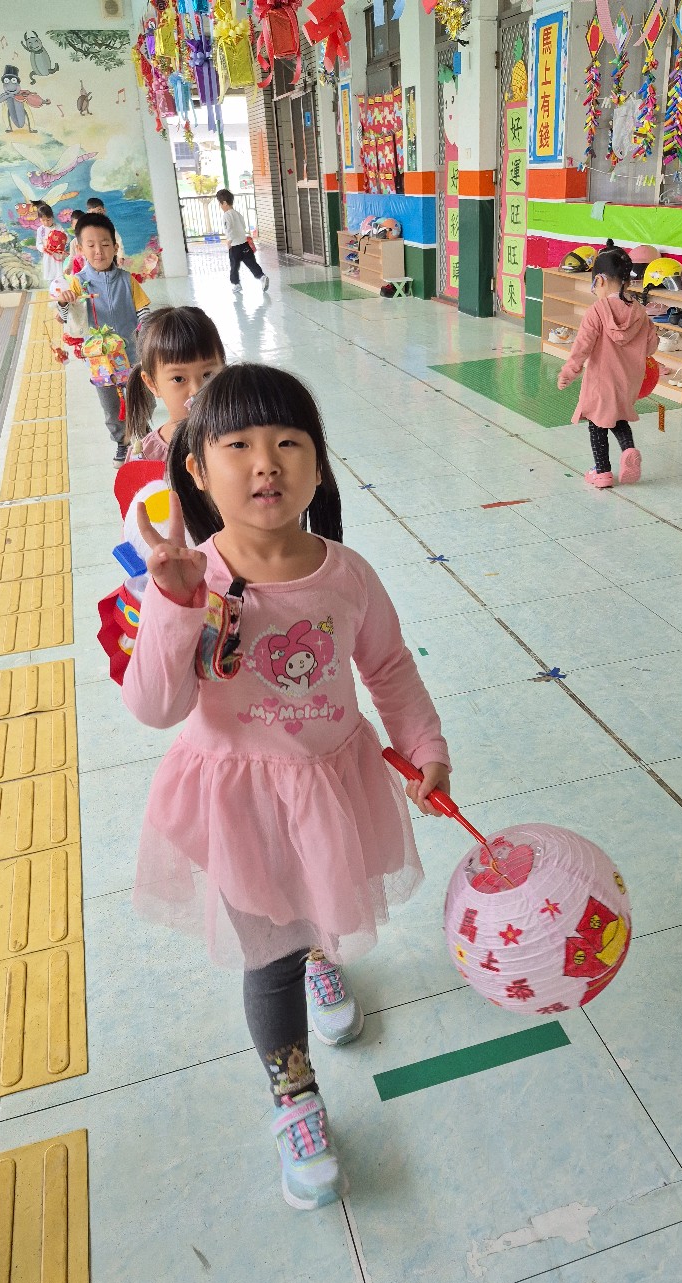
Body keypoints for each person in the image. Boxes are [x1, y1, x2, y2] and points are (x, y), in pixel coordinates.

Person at [121, 364, 450, 1210]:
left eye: (288, 442)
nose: (265, 461)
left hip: (330, 784)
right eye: (237, 445)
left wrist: (424, 745)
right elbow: (155, 707)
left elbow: (388, 667)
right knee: (267, 956)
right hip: (241, 805)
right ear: (197, 469)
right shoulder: (189, 576)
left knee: (322, 897)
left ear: (317, 464)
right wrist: (172, 603)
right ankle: (294, 1094)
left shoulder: (347, 573)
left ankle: (321, 955)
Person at [557, 240, 658, 488]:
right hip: (628, 382)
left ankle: (602, 472)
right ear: (627, 282)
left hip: (601, 382)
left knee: (596, 424)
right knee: (618, 417)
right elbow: (651, 346)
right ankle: (629, 449)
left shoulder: (597, 310)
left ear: (600, 281)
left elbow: (582, 346)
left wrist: (569, 371)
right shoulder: (639, 312)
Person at [53, 211, 150, 464]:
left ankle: (144, 435)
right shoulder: (77, 283)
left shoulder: (128, 281)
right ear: (80, 249)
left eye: (105, 244)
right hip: (100, 361)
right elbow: (65, 318)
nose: (99, 251)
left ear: (115, 247)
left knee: (141, 398)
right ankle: (122, 442)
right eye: (91, 245)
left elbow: (144, 312)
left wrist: (150, 338)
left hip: (133, 355)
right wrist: (63, 303)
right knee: (110, 405)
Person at [123, 306, 226, 462]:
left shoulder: (245, 436)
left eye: (208, 375)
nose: (196, 391)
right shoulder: (146, 458)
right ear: (152, 384)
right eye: (178, 379)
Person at [216, 189, 269, 292]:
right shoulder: (237, 214)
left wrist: (229, 241)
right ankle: (262, 277)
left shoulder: (226, 215)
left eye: (220, 204)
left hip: (235, 246)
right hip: (244, 244)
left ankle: (236, 284)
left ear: (225, 203)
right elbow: (243, 226)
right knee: (251, 263)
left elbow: (229, 229)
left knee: (234, 266)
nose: (220, 206)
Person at [86, 196, 125, 261]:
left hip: (108, 257)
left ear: (104, 210)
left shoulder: (108, 225)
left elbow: (118, 239)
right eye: (93, 213)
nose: (97, 215)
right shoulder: (86, 227)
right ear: (88, 213)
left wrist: (121, 256)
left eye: (99, 212)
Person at [33, 203, 65, 285]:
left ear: (52, 217)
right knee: (50, 275)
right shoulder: (40, 230)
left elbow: (65, 238)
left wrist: (60, 242)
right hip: (47, 256)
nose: (46, 222)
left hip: (58, 254)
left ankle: (61, 287)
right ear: (39, 219)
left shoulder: (58, 227)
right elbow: (38, 244)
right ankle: (52, 289)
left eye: (48, 220)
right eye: (43, 220)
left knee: (59, 274)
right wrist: (43, 248)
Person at [65, 209, 86, 275]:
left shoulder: (92, 239)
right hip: (81, 271)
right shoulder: (73, 243)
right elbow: (72, 258)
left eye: (82, 224)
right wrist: (68, 268)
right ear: (72, 225)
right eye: (76, 225)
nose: (79, 227)